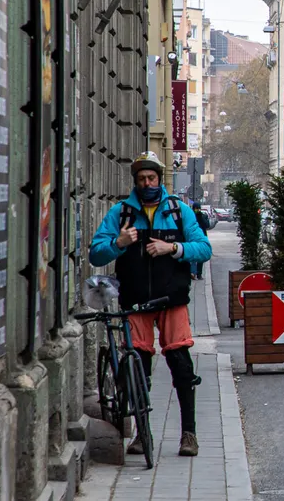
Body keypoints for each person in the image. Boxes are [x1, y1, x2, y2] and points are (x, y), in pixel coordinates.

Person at [89, 152, 212, 458]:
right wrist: (119, 243)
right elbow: (95, 254)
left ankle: (189, 434)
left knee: (182, 367)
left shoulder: (178, 211)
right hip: (135, 302)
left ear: (160, 179)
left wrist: (173, 247)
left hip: (171, 301)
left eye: (152, 178)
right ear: (136, 181)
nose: (147, 183)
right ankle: (142, 435)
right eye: (142, 179)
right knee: (138, 370)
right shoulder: (121, 213)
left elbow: (204, 249)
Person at [189, 201, 211, 280]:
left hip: (202, 238)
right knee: (193, 256)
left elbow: (207, 225)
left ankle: (199, 274)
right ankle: (193, 273)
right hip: (193, 237)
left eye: (198, 208)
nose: (197, 210)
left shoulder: (203, 216)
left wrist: (201, 217)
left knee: (200, 257)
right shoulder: (191, 216)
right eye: (195, 208)